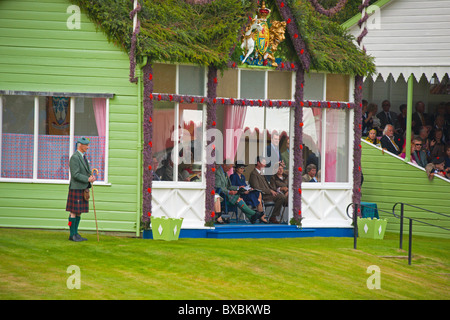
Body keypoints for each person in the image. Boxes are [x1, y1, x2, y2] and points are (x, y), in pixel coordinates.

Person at [66, 137, 96, 242]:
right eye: (86, 145)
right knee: (73, 212)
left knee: (79, 212)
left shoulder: (83, 157)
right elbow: (75, 174)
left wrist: (91, 177)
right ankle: (71, 234)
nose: (88, 147)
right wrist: (87, 179)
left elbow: (85, 172)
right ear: (80, 146)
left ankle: (76, 233)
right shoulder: (75, 157)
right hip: (76, 188)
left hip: (82, 188)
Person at [249, 156, 286, 224]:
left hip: (268, 194)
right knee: (281, 197)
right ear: (258, 163)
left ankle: (273, 216)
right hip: (262, 195)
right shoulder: (254, 174)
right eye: (263, 163)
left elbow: (268, 186)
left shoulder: (261, 173)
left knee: (282, 196)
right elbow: (256, 187)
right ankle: (273, 217)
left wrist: (276, 190)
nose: (265, 165)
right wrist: (270, 191)